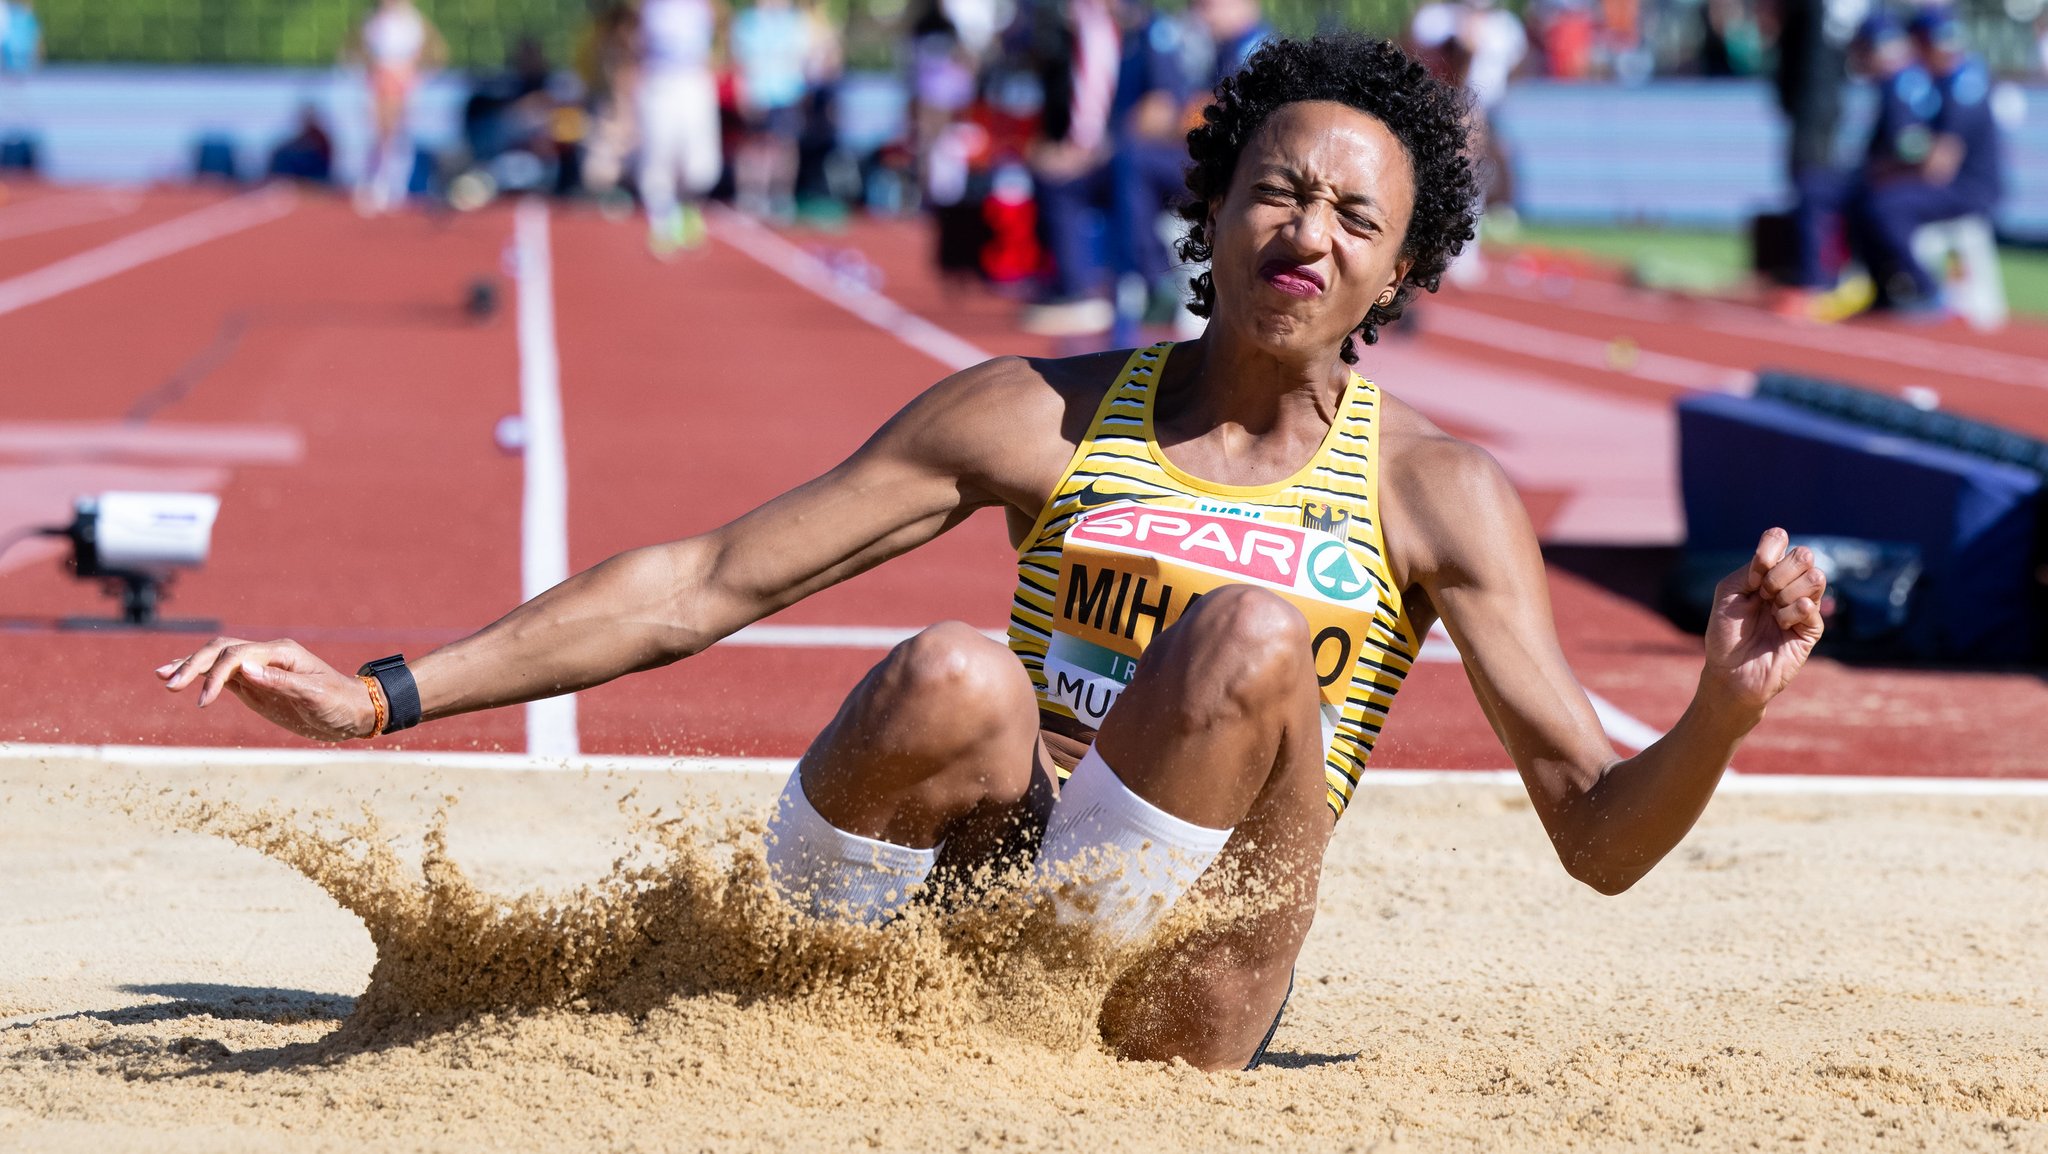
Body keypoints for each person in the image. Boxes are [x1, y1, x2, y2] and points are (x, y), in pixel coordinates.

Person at [158, 33, 1827, 1072]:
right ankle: (790, 997)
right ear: (1213, 209)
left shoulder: (1436, 492)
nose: (1304, 232)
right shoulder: (1037, 411)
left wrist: (1720, 710)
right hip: (968, 908)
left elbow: (1597, 839)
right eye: (1275, 189)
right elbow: (708, 581)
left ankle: (1021, 1024)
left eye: (1352, 217)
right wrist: (380, 693)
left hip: (1177, 980)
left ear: (1398, 273)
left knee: (1248, 642)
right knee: (953, 670)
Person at [1773, 12, 1938, 320]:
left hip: (1906, 182)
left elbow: (1912, 147)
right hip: (1893, 176)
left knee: (1831, 195)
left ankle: (1823, 283)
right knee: (1835, 190)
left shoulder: (1902, 83)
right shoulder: (1897, 80)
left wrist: (1878, 171)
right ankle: (1867, 283)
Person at [1848, 5, 2003, 314]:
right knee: (1865, 198)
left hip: (1969, 190)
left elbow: (1939, 166)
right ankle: (1885, 290)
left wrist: (1887, 170)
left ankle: (1928, 290)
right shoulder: (1936, 83)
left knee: (1887, 206)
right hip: (1949, 184)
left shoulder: (1964, 85)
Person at [638, 0, 726, 253]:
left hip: (694, 83)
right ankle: (662, 223)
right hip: (660, 83)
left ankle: (688, 208)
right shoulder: (651, 6)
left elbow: (720, 36)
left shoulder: (704, 6)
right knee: (659, 155)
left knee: (701, 165)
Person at [353, 0, 446, 215]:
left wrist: (412, 76)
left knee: (397, 134)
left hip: (401, 81)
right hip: (380, 81)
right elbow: (362, 52)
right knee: (379, 134)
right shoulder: (374, 21)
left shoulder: (413, 22)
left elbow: (433, 52)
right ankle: (374, 182)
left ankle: (395, 185)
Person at [731, 0, 814, 218]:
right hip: (757, 92)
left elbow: (804, 60)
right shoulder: (748, 21)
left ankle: (780, 196)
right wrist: (743, 92)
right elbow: (740, 61)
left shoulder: (796, 22)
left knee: (785, 145)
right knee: (754, 145)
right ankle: (751, 194)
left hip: (787, 92)